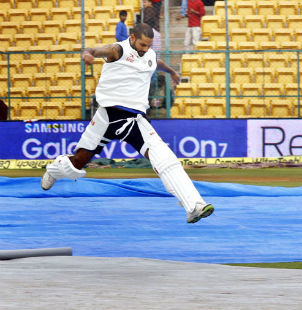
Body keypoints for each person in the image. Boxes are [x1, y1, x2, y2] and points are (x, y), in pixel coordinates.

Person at [41, 23, 214, 224]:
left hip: (134, 120)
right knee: (77, 162)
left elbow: (155, 63)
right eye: (142, 44)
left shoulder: (148, 54)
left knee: (166, 159)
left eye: (149, 45)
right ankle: (53, 170)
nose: (145, 49)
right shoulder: (118, 50)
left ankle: (194, 206)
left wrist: (172, 72)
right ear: (132, 38)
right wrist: (88, 53)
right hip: (107, 118)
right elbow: (98, 50)